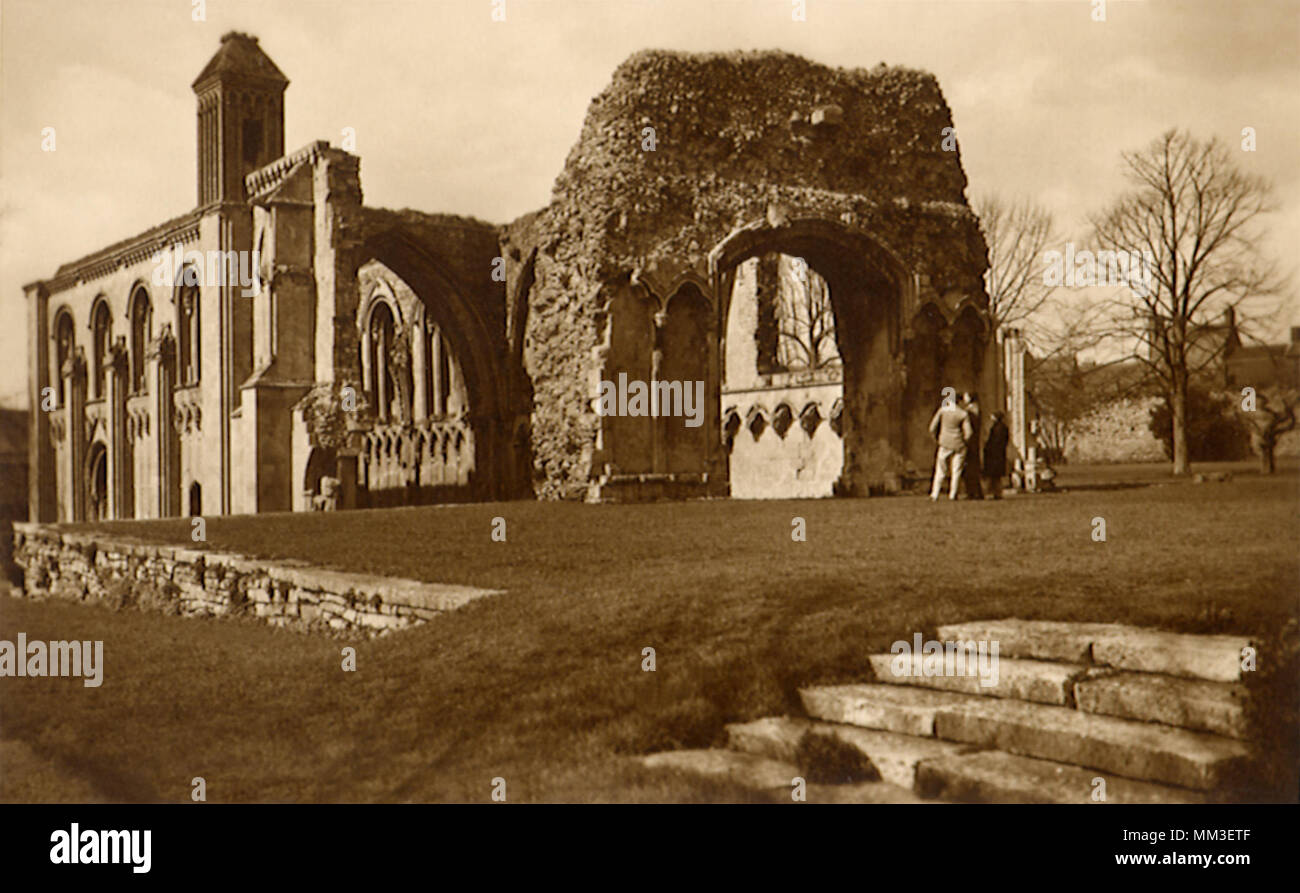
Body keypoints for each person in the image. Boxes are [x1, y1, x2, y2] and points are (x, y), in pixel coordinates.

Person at [928, 393, 972, 501]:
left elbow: (932, 427)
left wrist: (937, 439)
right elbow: (969, 432)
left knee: (940, 470)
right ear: (959, 401)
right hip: (958, 444)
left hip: (944, 443)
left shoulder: (943, 410)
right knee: (956, 470)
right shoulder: (962, 414)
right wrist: (965, 441)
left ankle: (935, 493)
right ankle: (953, 494)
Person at [960, 391, 983, 499]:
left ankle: (972, 492)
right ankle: (977, 492)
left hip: (970, 442)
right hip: (975, 442)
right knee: (973, 468)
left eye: (966, 396)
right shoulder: (976, 409)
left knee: (969, 468)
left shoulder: (969, 412)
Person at [983, 410, 1010, 499]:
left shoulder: (996, 428)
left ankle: (992, 492)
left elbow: (993, 441)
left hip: (993, 454)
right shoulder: (1004, 428)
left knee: (992, 475)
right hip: (1000, 454)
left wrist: (987, 448)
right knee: (997, 476)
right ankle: (997, 492)